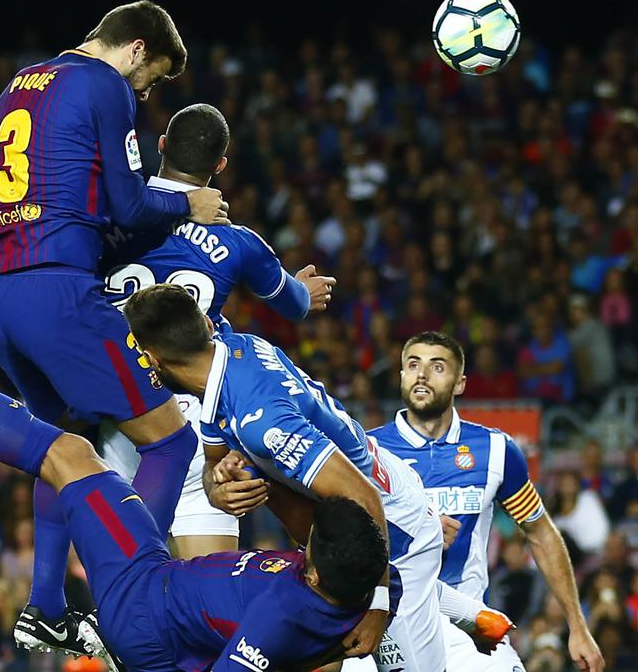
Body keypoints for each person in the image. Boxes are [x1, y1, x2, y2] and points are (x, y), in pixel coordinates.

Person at [0, 295, 395, 672]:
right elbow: (363, 554)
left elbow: (358, 507)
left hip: (142, 603)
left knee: (69, 454)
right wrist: (379, 600)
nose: (303, 545)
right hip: (168, 612)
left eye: (309, 548)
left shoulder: (281, 618)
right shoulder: (347, 585)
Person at [0, 0, 229, 655]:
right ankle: (130, 596)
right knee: (170, 442)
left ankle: (47, 607)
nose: (146, 92)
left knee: (62, 446)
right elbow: (131, 203)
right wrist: (188, 203)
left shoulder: (19, 83)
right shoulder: (106, 84)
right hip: (58, 291)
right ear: (136, 49)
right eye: (153, 77)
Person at [120, 285, 446, 671]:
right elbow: (215, 465)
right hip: (333, 541)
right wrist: (219, 489)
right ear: (206, 324)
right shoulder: (231, 354)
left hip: (392, 539)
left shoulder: (265, 421)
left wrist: (379, 603)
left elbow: (362, 497)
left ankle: (458, 613)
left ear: (151, 360)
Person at [100, 103, 336, 558]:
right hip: (195, 419)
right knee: (207, 587)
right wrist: (304, 292)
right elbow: (295, 304)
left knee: (125, 578)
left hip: (117, 412)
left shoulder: (110, 218)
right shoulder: (238, 241)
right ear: (221, 165)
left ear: (161, 146)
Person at [368, 332, 605, 672]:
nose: (422, 374)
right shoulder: (367, 452)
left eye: (437, 366)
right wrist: (417, 531)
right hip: (388, 621)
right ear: (402, 375)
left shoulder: (495, 450)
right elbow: (335, 536)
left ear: (460, 384)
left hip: (467, 624)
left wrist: (577, 625)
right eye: (413, 365)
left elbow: (540, 532)